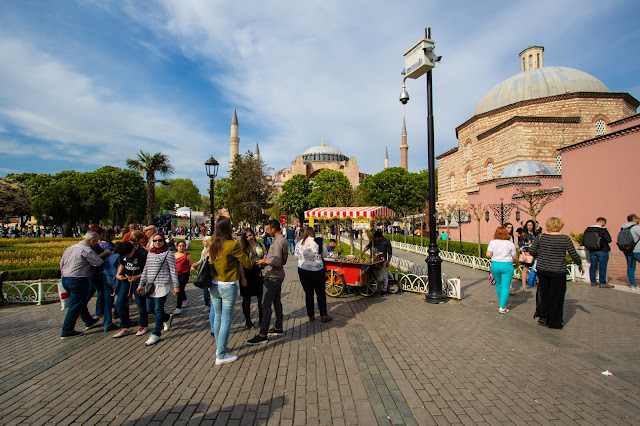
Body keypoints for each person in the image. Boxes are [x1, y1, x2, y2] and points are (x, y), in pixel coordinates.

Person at [208, 217, 254, 364]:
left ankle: (219, 347)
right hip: (228, 284)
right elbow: (247, 263)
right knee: (226, 319)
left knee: (217, 317)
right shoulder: (231, 245)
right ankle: (221, 354)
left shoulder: (212, 244)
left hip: (214, 284)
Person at [530, 217, 583, 329]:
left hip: (543, 269)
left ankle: (542, 315)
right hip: (558, 270)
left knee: (543, 293)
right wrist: (580, 264)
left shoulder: (541, 237)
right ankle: (554, 321)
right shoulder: (565, 239)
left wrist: (541, 255)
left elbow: (532, 251)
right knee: (557, 296)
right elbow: (573, 253)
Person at [247, 219, 289, 345]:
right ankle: (278, 327)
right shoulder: (283, 240)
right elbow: (283, 260)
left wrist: (264, 261)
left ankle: (263, 334)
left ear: (273, 229)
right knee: (276, 301)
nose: (266, 232)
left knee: (265, 305)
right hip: (277, 276)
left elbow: (276, 262)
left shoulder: (277, 243)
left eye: (268, 229)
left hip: (272, 276)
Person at [59, 231, 104, 339]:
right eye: (96, 242)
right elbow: (98, 262)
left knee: (79, 302)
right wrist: (105, 254)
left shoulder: (70, 248)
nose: (96, 244)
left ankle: (88, 320)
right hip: (78, 279)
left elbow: (62, 263)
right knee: (75, 304)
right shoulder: (86, 249)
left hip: (66, 277)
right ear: (92, 240)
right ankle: (67, 330)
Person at [137, 232, 179, 345]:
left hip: (162, 283)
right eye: (154, 241)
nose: (157, 243)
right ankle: (167, 317)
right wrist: (141, 284)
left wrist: (176, 285)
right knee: (150, 309)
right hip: (151, 284)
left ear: (163, 241)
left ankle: (156, 333)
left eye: (159, 240)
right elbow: (146, 269)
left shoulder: (168, 254)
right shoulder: (150, 253)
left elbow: (173, 271)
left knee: (158, 309)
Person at [112, 232, 149, 338]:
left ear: (133, 249)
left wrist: (138, 276)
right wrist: (119, 275)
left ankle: (144, 325)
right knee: (119, 303)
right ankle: (125, 326)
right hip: (126, 280)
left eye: (128, 255)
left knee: (140, 304)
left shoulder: (142, 254)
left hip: (138, 281)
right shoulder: (123, 256)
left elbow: (149, 270)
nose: (127, 257)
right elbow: (122, 264)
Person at [295, 227, 332, 322]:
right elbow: (325, 255)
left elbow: (296, 255)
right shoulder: (319, 241)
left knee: (309, 294)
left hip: (304, 270)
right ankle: (323, 315)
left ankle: (311, 315)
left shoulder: (300, 242)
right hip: (317, 270)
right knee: (320, 294)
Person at [238, 228, 266, 329]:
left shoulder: (260, 245)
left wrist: (263, 261)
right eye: (247, 236)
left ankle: (262, 319)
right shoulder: (243, 248)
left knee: (261, 298)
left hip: (259, 273)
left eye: (250, 235)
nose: (249, 238)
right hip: (247, 273)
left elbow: (265, 255)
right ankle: (248, 321)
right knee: (247, 298)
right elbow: (240, 264)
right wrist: (243, 278)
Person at [486, 226, 518, 313]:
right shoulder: (510, 244)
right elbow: (514, 256)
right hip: (507, 265)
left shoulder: (492, 242)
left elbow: (488, 254)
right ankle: (502, 306)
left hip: (495, 264)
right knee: (506, 286)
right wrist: (517, 263)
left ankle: (502, 302)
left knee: (499, 284)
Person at [583, 217, 613, 288]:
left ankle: (593, 281)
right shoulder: (603, 230)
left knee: (593, 265)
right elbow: (609, 240)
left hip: (592, 250)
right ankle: (602, 282)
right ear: (603, 222)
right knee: (602, 266)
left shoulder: (588, 229)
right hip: (602, 250)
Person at [362, 229, 393, 295]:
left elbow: (390, 253)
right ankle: (373, 288)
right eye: (375, 238)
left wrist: (388, 262)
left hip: (383, 260)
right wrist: (363, 252)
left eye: (376, 238)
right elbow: (369, 246)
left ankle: (384, 289)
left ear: (380, 237)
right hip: (374, 260)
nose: (375, 239)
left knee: (384, 275)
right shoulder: (374, 241)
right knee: (373, 273)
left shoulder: (386, 242)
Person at [620, 214, 640, 290]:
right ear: (634, 219)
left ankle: (633, 284)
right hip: (637, 250)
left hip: (627, 250)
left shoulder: (622, 228)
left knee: (630, 267)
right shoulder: (636, 227)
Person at [173, 240, 193, 315]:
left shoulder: (187, 255)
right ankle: (184, 299)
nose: (181, 247)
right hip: (175, 275)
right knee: (180, 288)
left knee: (180, 288)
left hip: (184, 274)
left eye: (183, 246)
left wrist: (193, 267)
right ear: (177, 247)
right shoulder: (173, 255)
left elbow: (190, 265)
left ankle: (178, 307)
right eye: (180, 246)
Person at [518, 220, 539, 292]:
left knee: (537, 268)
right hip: (527, 253)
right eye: (528, 225)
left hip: (535, 253)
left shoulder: (536, 234)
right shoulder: (524, 234)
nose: (529, 226)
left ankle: (536, 283)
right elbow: (521, 244)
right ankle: (524, 286)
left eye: (531, 225)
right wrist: (523, 253)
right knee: (525, 269)